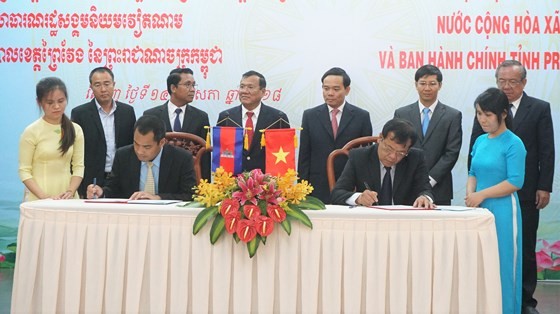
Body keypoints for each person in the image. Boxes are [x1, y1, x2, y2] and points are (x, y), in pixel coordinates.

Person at [469, 60, 554, 314]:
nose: (506, 86)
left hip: (514, 200)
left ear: (523, 82)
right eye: (501, 81)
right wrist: (471, 194)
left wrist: (544, 186)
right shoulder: (485, 122)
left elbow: (546, 151)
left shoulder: (536, 112)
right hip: (481, 206)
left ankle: (522, 303)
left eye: (512, 81)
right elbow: (473, 164)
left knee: (517, 255)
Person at [466, 87, 526, 314]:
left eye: (487, 114)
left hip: (502, 211)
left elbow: (515, 181)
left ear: (502, 114)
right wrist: (472, 194)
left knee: (503, 265)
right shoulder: (481, 140)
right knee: (481, 264)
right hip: (479, 210)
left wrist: (481, 195)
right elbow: (473, 171)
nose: (482, 119)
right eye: (479, 114)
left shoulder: (513, 143)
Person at [298, 67, 372, 203]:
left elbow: (367, 155)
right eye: (326, 89)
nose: (330, 93)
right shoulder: (310, 116)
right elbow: (304, 155)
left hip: (351, 187)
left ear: (347, 90)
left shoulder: (361, 116)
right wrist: (302, 188)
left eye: (336, 89)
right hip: (317, 185)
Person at [394, 64, 462, 205]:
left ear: (440, 85)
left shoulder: (452, 116)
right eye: (423, 83)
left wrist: (429, 180)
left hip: (439, 187)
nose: (427, 88)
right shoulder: (402, 113)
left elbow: (451, 152)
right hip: (407, 185)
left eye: (432, 84)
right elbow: (396, 148)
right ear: (416, 85)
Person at [86, 115, 196, 200]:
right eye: (136, 144)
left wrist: (158, 198)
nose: (139, 151)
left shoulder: (181, 159)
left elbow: (190, 195)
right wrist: (101, 192)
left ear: (162, 142)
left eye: (147, 147)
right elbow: (113, 189)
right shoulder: (123, 155)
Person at [331, 118, 434, 208]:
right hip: (370, 220)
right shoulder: (359, 157)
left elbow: (425, 189)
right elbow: (337, 193)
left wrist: (424, 198)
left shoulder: (415, 158)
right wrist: (359, 198)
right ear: (380, 138)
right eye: (389, 149)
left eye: (401, 153)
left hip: (403, 221)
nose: (393, 157)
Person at [71, 67, 136, 198]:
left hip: (122, 177)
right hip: (92, 180)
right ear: (91, 87)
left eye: (107, 84)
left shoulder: (127, 112)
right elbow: (76, 151)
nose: (103, 89)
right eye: (97, 85)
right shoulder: (80, 114)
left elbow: (132, 146)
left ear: (114, 84)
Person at [19, 77, 85, 201]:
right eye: (50, 103)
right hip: (39, 198)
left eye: (61, 101)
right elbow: (24, 171)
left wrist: (70, 191)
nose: (56, 106)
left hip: (67, 197)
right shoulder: (31, 131)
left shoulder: (76, 130)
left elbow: (78, 166)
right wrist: (45, 197)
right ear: (39, 102)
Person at [216, 70, 290, 173]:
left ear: (263, 92)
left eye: (250, 87)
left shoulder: (278, 118)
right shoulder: (226, 117)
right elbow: (221, 155)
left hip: (267, 183)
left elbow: (284, 156)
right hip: (232, 183)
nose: (244, 91)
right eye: (242, 86)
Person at [144, 68, 211, 180]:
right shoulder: (151, 116)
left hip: (190, 178)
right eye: (187, 85)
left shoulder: (201, 117)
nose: (193, 89)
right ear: (173, 88)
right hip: (158, 177)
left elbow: (204, 155)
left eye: (194, 85)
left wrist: (205, 184)